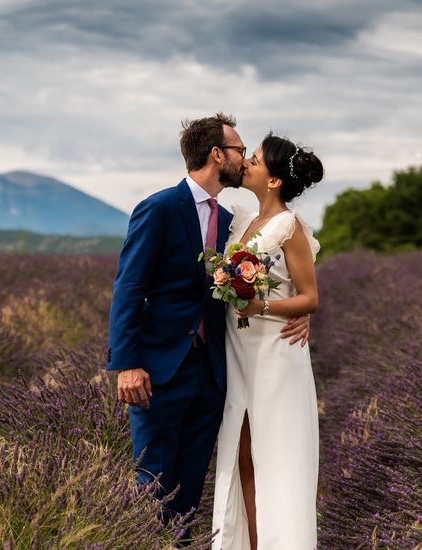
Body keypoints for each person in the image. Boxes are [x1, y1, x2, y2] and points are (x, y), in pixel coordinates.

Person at [105, 114, 311, 544]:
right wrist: (126, 365)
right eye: (240, 150)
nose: (244, 158)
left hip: (217, 374)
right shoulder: (159, 208)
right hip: (158, 373)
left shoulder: (232, 222)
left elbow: (271, 275)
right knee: (151, 490)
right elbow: (128, 289)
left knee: (189, 496)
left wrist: (296, 308)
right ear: (218, 155)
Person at [211, 133, 324, 549]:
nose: (247, 164)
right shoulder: (242, 221)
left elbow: (310, 297)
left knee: (276, 457)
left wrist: (263, 308)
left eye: (255, 160)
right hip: (238, 351)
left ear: (274, 180)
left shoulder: (289, 227)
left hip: (276, 354)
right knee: (242, 456)